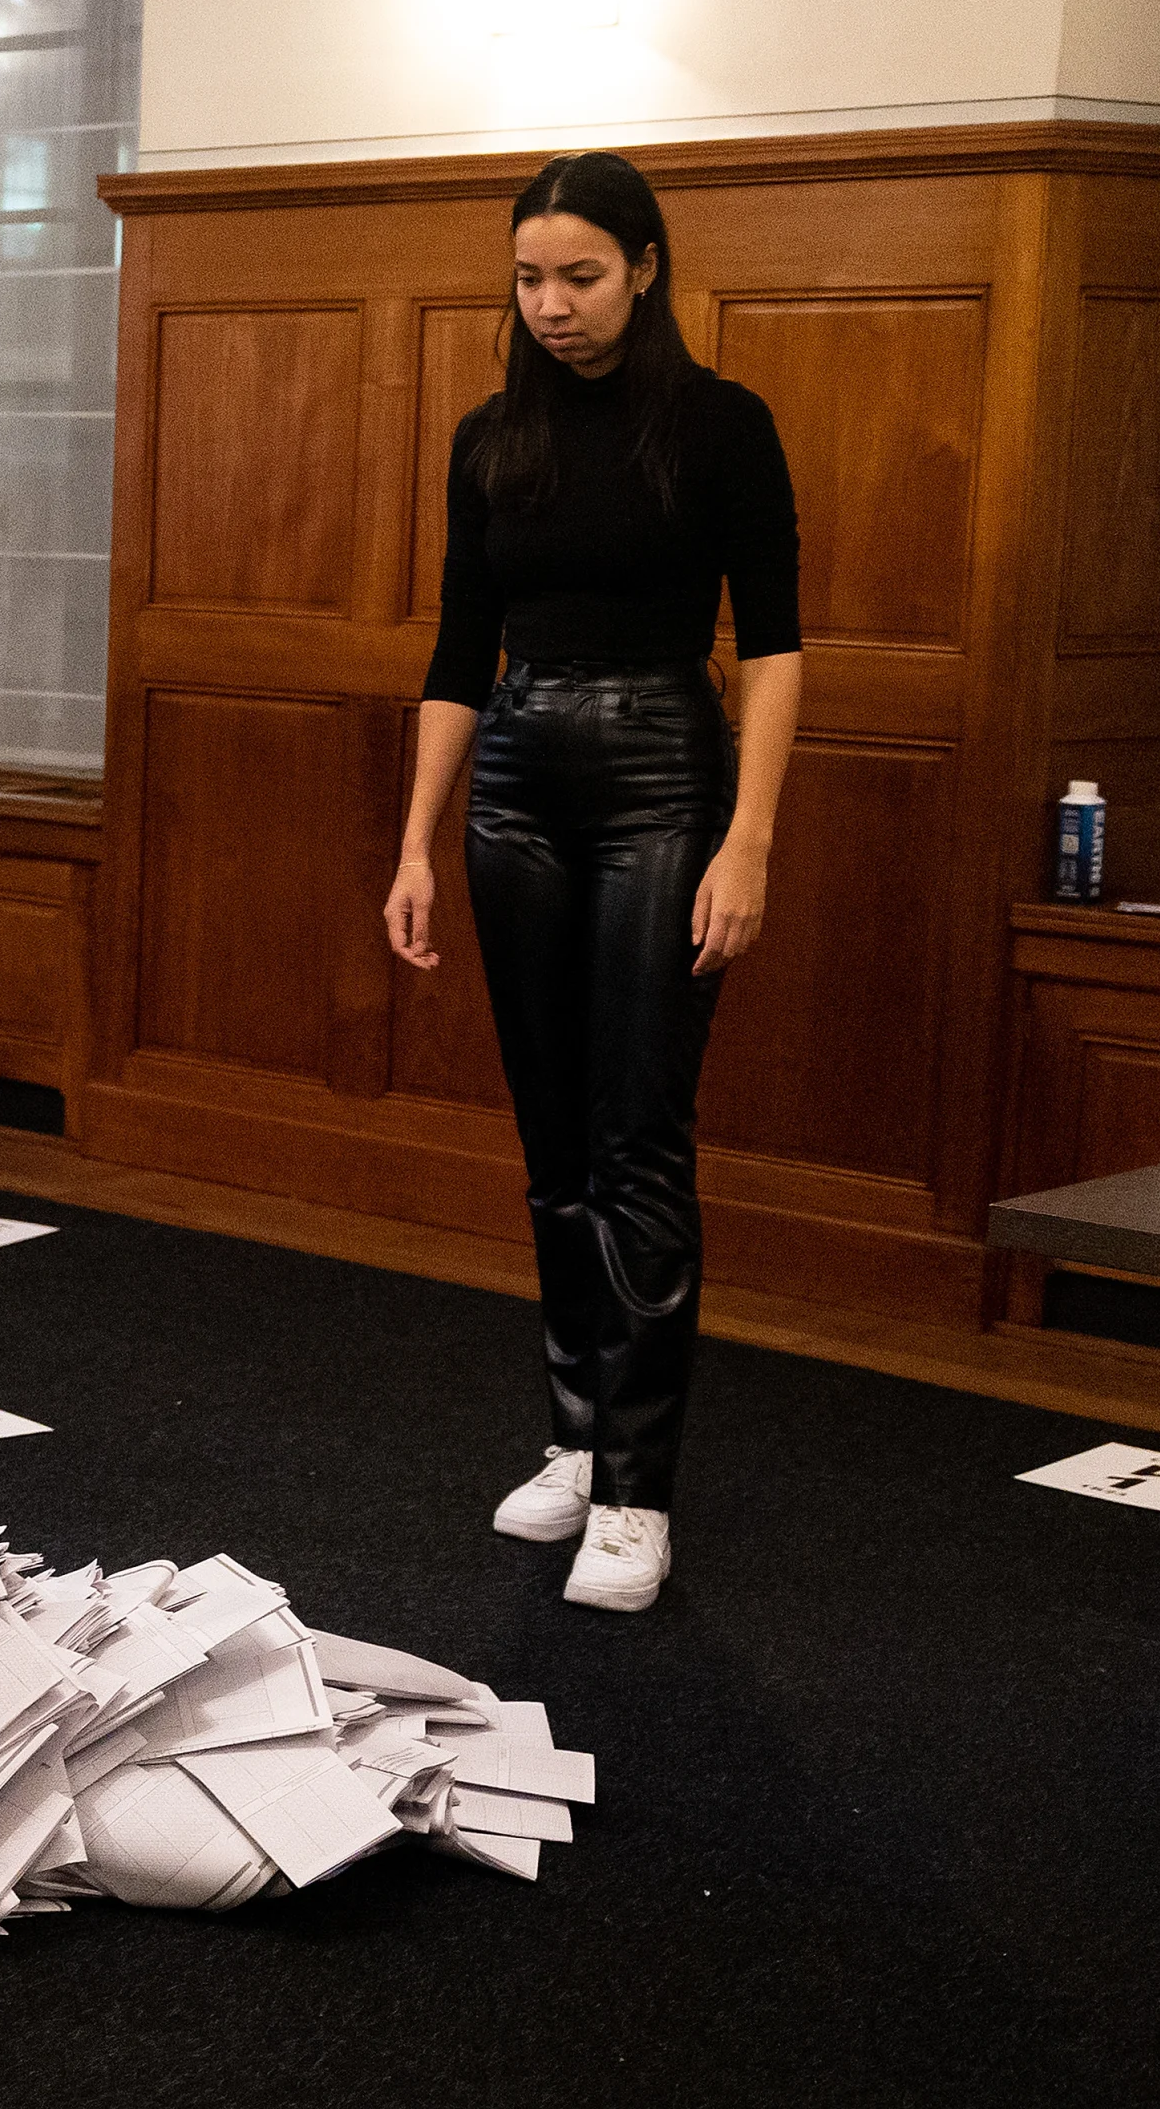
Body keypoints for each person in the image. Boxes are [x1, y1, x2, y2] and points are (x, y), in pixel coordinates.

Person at [379, 150, 803, 1616]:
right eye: (527, 278)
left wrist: (750, 837)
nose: (550, 304)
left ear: (645, 268)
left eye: (580, 275)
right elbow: (455, 656)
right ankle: (573, 1433)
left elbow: (782, 646)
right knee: (554, 1144)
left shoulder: (721, 427)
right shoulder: (493, 437)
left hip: (665, 778)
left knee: (639, 1136)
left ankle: (638, 1489)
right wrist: (416, 841)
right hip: (518, 779)